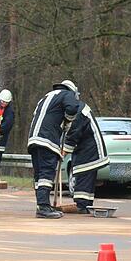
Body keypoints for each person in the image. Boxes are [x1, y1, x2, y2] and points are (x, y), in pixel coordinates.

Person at [27, 79, 82, 218]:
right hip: (47, 139)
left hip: (33, 139)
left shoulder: (45, 97)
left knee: (39, 175)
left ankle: (42, 204)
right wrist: (68, 120)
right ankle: (43, 208)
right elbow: (72, 108)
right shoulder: (67, 94)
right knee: (46, 173)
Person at [63, 101, 108, 213]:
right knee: (84, 177)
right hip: (85, 149)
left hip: (90, 151)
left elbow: (73, 133)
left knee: (84, 175)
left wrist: (63, 152)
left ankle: (82, 205)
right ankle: (86, 205)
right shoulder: (76, 108)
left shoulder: (78, 111)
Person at [0, 89, 15, 184]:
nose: (3, 103)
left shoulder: (9, 112)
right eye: (2, 101)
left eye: (6, 102)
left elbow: (7, 126)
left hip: (1, 139)